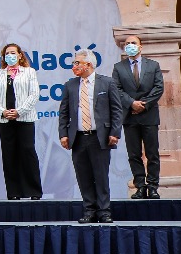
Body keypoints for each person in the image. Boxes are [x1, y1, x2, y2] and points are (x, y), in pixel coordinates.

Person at [58, 51, 124, 223]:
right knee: (83, 175)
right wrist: (63, 134)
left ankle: (104, 211)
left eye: (77, 63)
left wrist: (115, 133)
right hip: (78, 138)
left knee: (101, 175)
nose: (74, 66)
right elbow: (63, 112)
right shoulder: (70, 85)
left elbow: (117, 110)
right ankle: (89, 210)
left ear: (88, 65)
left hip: (99, 136)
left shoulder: (107, 83)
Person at [112, 33, 164, 199]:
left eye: (133, 43)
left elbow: (158, 87)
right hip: (130, 116)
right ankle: (140, 186)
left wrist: (144, 104)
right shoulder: (118, 67)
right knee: (134, 154)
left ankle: (153, 186)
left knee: (152, 153)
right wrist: (131, 103)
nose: (130, 45)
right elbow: (116, 89)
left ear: (140, 47)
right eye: (127, 43)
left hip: (149, 115)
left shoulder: (153, 65)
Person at [0, 43, 43, 200]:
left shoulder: (29, 72)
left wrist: (19, 111)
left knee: (28, 152)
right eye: (7, 54)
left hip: (24, 118)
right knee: (9, 154)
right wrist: (2, 111)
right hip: (5, 119)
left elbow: (34, 94)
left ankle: (34, 191)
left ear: (20, 55)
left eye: (13, 53)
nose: (10, 56)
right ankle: (13, 192)